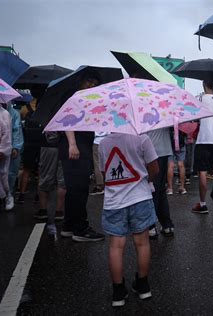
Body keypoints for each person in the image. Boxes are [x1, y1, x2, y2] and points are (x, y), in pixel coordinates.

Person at [98, 132, 159, 307]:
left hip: (114, 201)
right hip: (140, 197)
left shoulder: (103, 143)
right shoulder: (142, 139)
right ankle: (143, 286)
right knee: (142, 243)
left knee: (116, 246)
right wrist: (145, 180)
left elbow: (105, 172)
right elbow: (154, 168)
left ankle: (118, 292)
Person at [59, 72, 104, 242]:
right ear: (81, 80)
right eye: (89, 80)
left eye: (95, 83)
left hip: (80, 146)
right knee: (79, 189)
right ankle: (81, 229)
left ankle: (69, 226)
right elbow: (66, 119)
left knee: (74, 189)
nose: (92, 85)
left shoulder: (87, 99)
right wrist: (72, 143)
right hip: (75, 147)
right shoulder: (73, 96)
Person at [191, 79, 213, 214]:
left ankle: (203, 204)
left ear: (203, 85)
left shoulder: (198, 98)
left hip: (203, 140)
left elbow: (194, 117)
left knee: (203, 172)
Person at [145, 128, 175, 238]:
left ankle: (151, 226)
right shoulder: (166, 111)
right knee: (160, 189)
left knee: (153, 189)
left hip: (152, 149)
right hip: (165, 149)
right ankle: (167, 225)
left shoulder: (144, 110)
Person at [17, 87, 44, 204]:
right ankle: (38, 195)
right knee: (40, 171)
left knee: (26, 169)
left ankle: (22, 195)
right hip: (41, 143)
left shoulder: (24, 108)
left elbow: (20, 124)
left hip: (28, 143)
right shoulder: (45, 108)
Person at [0, 103, 12, 214]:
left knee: (2, 174)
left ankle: (8, 195)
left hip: (0, 151)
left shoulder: (4, 114)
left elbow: (7, 133)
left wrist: (1, 150)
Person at [5, 102, 23, 211]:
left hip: (10, 147)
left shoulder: (14, 114)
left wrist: (16, 147)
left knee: (10, 173)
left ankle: (9, 194)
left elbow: (17, 129)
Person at [167, 130, 187, 195]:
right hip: (180, 142)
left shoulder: (168, 120)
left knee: (171, 165)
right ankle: (182, 187)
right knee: (181, 165)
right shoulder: (181, 119)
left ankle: (170, 189)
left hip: (170, 142)